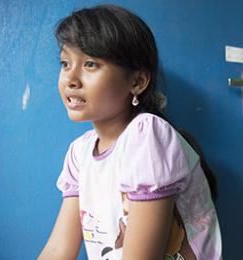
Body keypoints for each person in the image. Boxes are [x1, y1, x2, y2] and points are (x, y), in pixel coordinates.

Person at [38, 5, 221, 260]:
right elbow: (58, 250)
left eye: (90, 64)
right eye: (65, 63)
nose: (71, 78)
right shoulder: (79, 154)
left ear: (137, 82)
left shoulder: (147, 136)